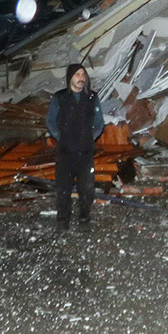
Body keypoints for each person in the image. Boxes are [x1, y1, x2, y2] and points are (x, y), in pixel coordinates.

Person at [46, 63, 104, 229]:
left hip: (85, 152)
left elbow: (99, 123)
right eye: (78, 74)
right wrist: (61, 137)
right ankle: (63, 220)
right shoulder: (60, 97)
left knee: (86, 188)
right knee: (63, 188)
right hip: (65, 152)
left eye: (83, 74)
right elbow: (50, 121)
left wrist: (89, 138)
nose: (81, 78)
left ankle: (84, 218)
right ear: (70, 77)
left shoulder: (92, 97)